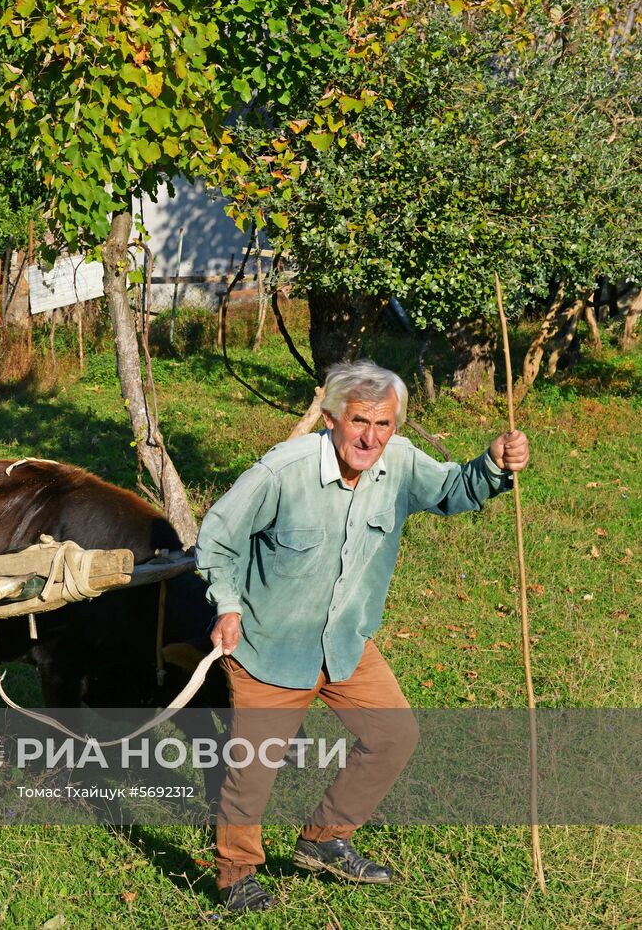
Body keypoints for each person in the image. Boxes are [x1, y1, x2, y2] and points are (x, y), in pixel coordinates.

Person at [195, 359, 529, 913]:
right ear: (332, 418)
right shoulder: (284, 470)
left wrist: (494, 463)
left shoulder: (397, 463)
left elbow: (453, 489)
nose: (370, 437)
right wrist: (227, 606)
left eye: (383, 425)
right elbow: (217, 539)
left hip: (345, 643)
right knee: (253, 769)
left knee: (395, 734)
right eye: (359, 422)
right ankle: (236, 875)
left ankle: (323, 841)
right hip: (268, 647)